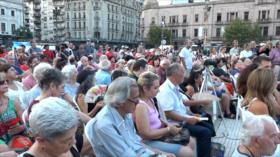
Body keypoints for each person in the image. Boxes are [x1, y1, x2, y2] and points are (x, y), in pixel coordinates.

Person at [85, 77, 172, 157]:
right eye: (135, 99)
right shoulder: (105, 125)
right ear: (120, 101)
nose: (138, 102)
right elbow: (128, 155)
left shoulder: (126, 113)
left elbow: (137, 144)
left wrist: (161, 153)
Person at [156, 63, 213, 157]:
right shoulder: (165, 90)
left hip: (183, 119)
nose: (185, 75)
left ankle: (206, 150)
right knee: (205, 132)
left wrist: (191, 114)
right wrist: (188, 119)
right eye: (183, 72)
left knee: (207, 122)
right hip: (177, 124)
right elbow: (168, 113)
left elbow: (182, 103)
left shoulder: (174, 87)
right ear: (175, 75)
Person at [135, 71, 194, 157]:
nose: (158, 91)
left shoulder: (151, 99)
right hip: (149, 141)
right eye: (155, 88)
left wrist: (170, 126)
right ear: (145, 88)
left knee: (191, 141)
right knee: (187, 152)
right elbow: (146, 134)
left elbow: (159, 119)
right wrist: (168, 130)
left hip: (160, 135)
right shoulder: (141, 106)